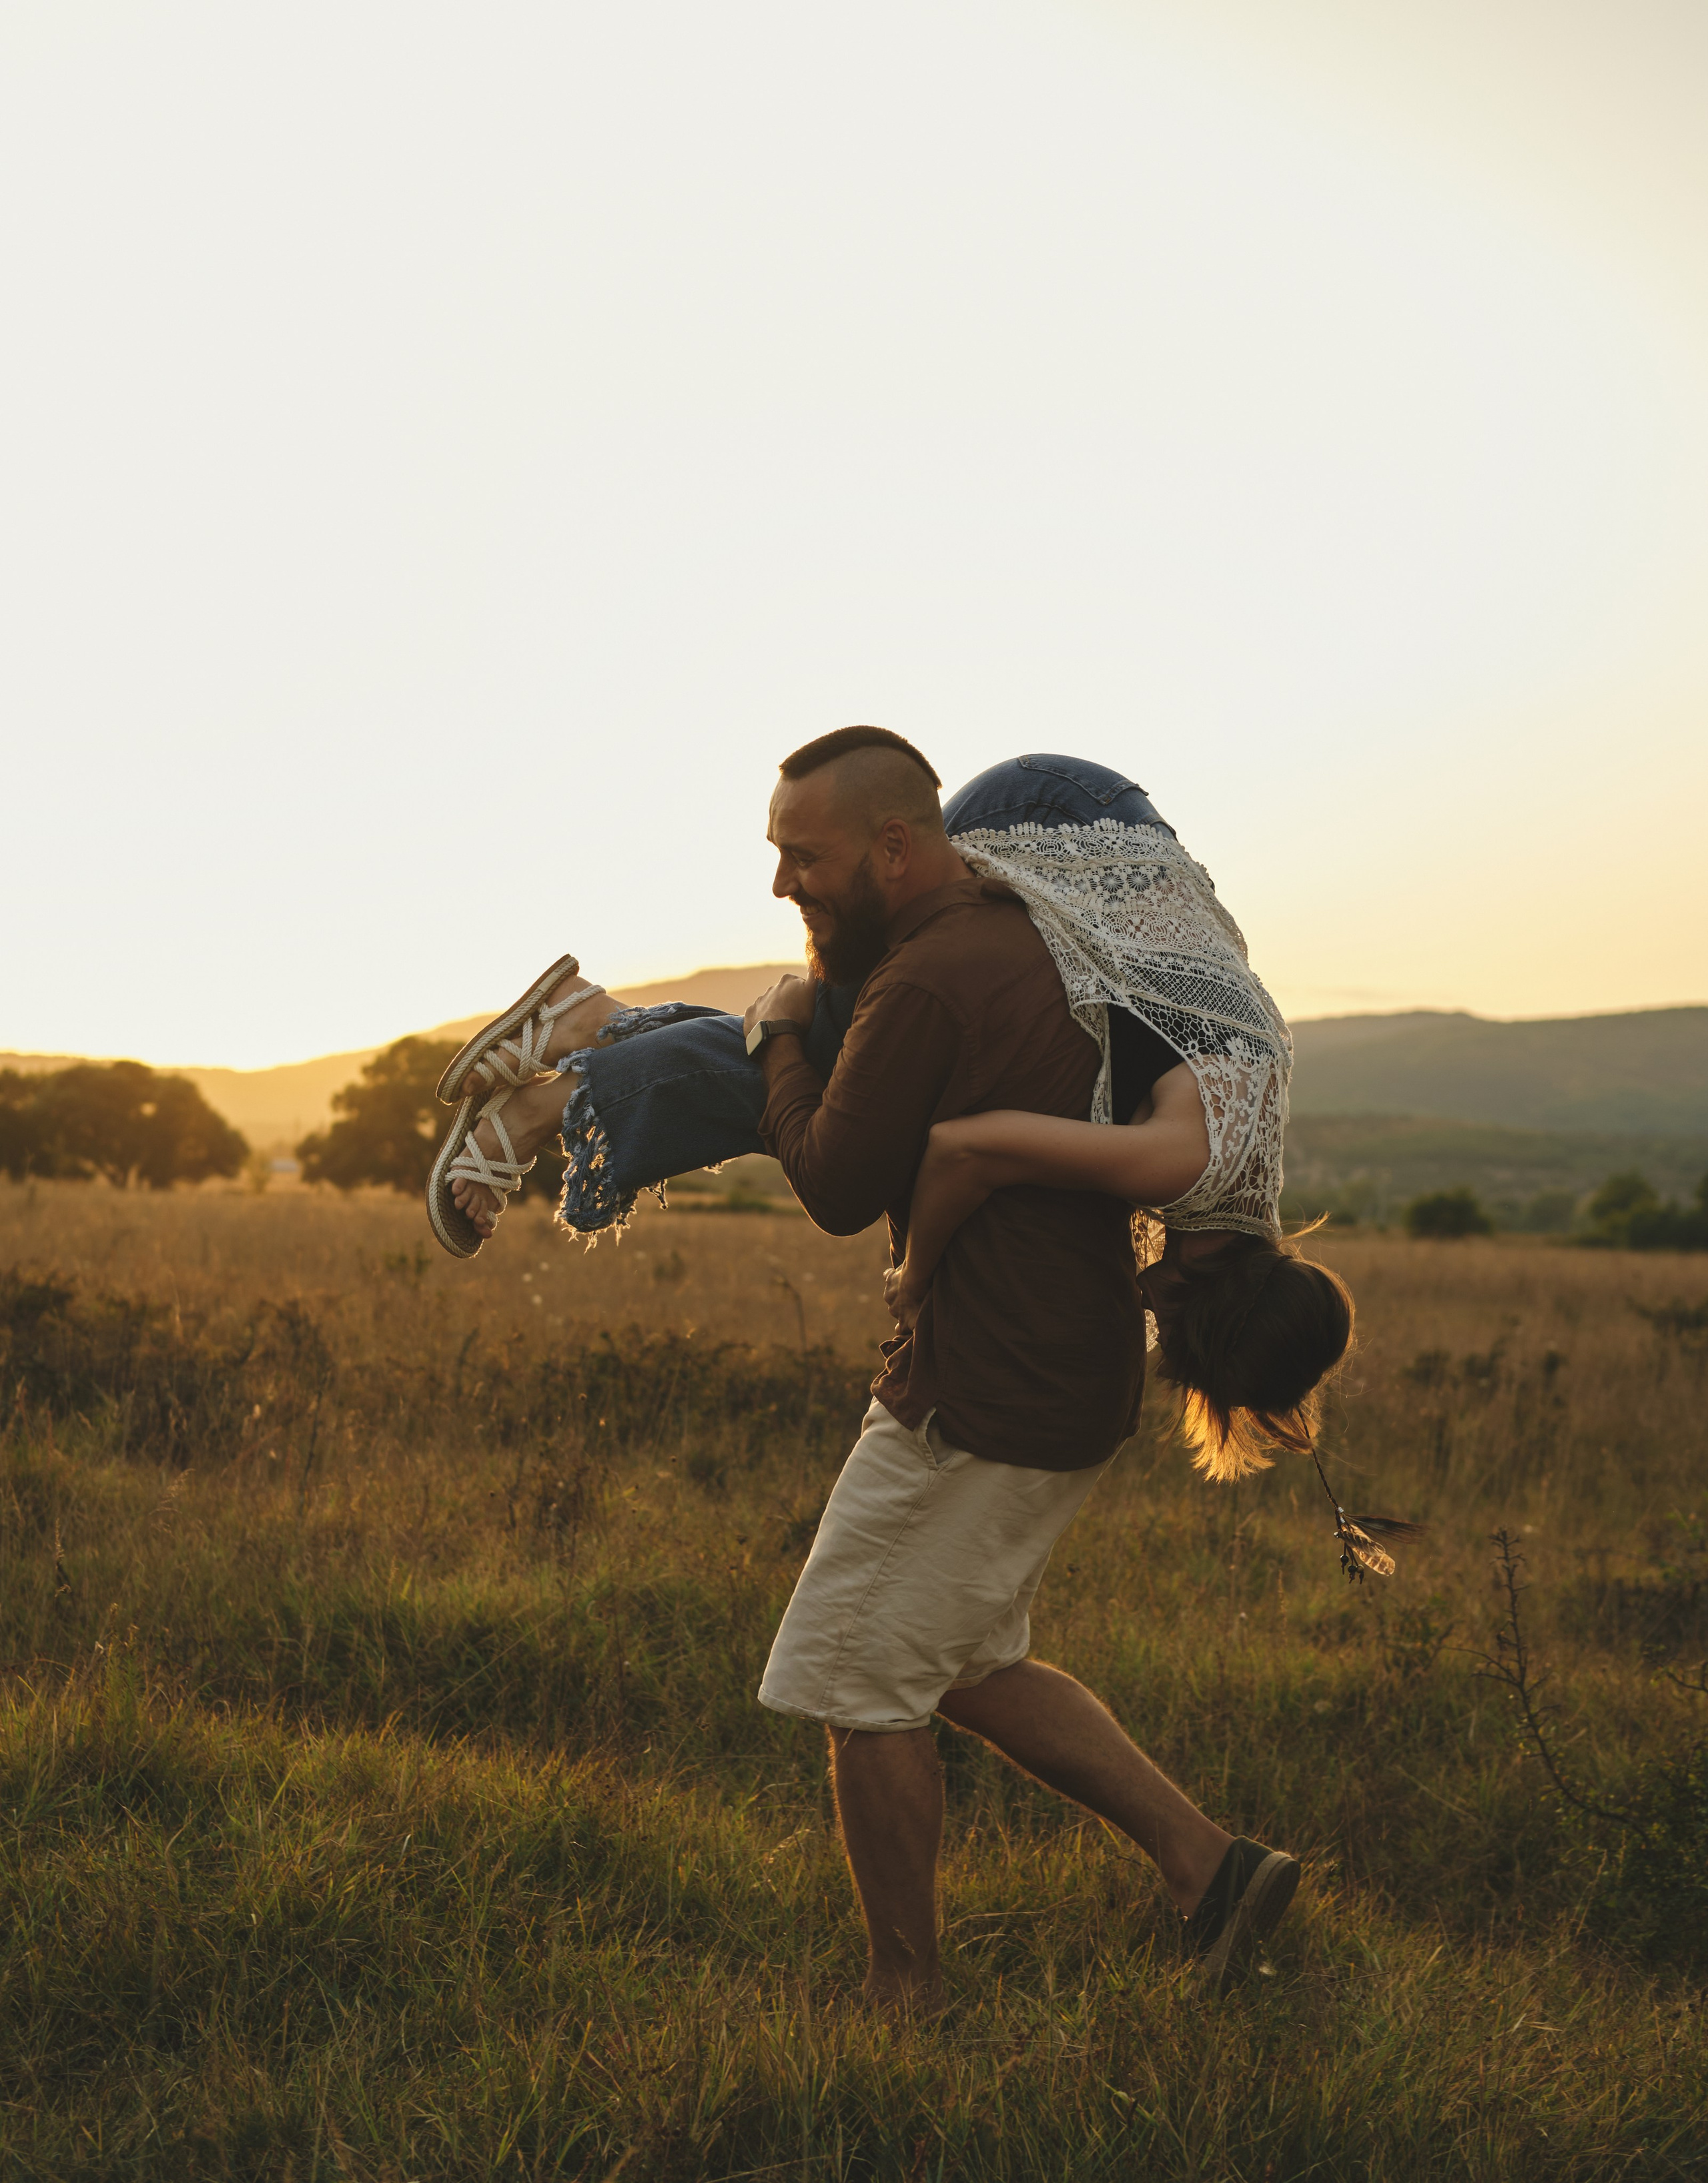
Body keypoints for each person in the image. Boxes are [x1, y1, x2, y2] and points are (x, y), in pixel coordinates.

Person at [426, 729, 1354, 2003]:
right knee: (851, 1020)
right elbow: (963, 1148)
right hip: (1064, 814)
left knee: (880, 1678)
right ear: (1215, 1286)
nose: (1150, 1293)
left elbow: (904, 1157)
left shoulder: (1224, 1153)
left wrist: (914, 1268)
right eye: (1171, 1307)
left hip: (1002, 1364)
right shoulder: (1176, 1154)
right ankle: (579, 1060)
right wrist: (915, 1268)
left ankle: (943, 1980)